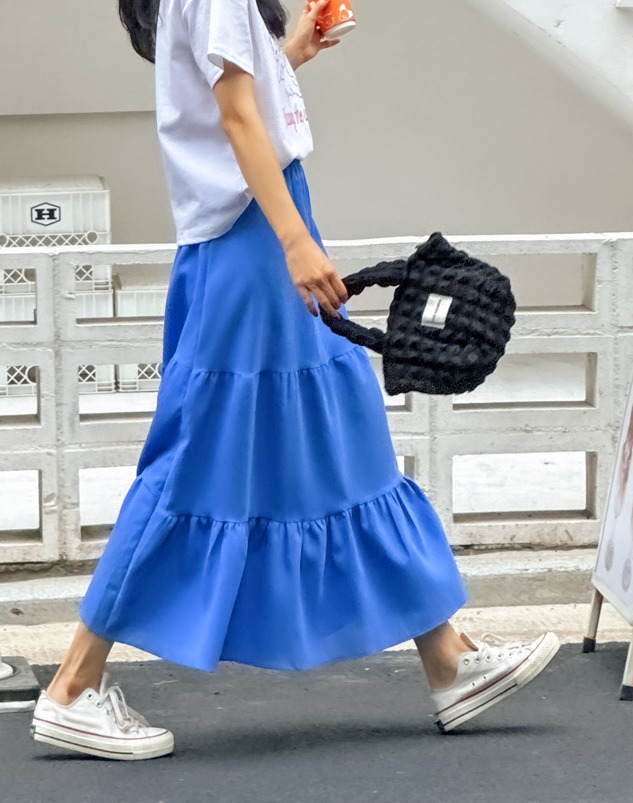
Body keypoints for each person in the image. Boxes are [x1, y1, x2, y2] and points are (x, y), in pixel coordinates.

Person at [30, 0, 560, 760]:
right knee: (201, 457)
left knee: (339, 438)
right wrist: (294, 240)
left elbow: (229, 102)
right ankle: (72, 686)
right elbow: (236, 118)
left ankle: (448, 660)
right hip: (253, 239)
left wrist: (290, 54)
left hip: (248, 237)